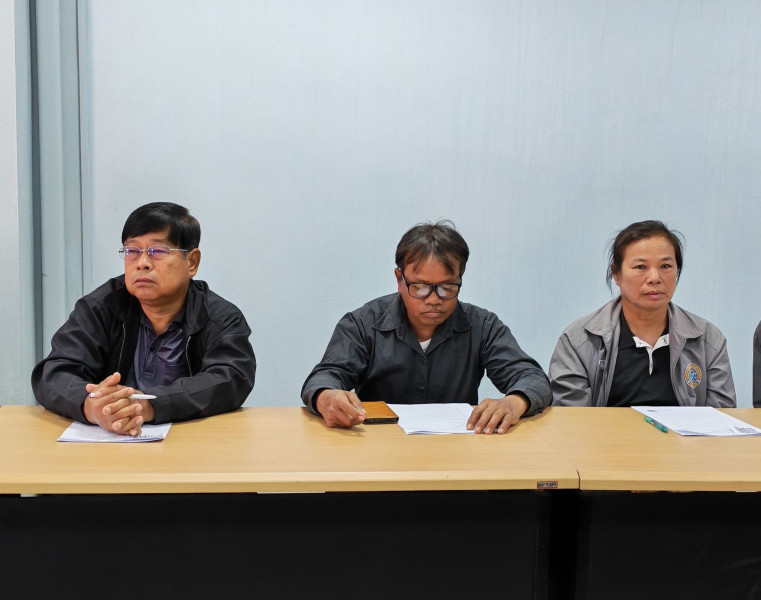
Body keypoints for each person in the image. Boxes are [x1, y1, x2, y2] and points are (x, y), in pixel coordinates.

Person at [301, 220, 551, 434]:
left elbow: (531, 378)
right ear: (399, 279)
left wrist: (515, 402)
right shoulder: (363, 323)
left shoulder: (482, 326)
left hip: (456, 452)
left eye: (447, 287)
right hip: (378, 450)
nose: (433, 299)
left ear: (460, 279)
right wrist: (326, 396)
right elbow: (325, 376)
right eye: (420, 287)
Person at [31, 202, 256, 435]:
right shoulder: (101, 308)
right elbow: (54, 374)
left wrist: (149, 405)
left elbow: (231, 378)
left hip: (192, 442)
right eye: (132, 251)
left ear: (192, 262)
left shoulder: (221, 318)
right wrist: (91, 406)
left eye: (158, 251)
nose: (142, 263)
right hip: (111, 442)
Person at [549, 220, 735, 407]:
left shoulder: (707, 339)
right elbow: (572, 418)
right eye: (640, 267)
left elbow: (721, 416)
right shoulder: (579, 341)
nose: (654, 278)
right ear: (616, 274)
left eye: (665, 266)